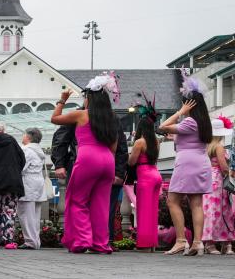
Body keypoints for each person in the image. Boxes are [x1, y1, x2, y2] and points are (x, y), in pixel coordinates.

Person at [50, 74, 119, 254]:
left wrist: (62, 100)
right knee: (101, 204)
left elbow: (55, 118)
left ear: (89, 99)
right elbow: (114, 146)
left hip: (88, 158)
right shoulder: (111, 117)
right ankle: (101, 244)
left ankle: (82, 240)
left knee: (76, 200)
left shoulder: (81, 114)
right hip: (108, 161)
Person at [160, 76, 213, 256]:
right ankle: (197, 243)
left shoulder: (189, 121)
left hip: (187, 163)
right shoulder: (203, 122)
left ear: (189, 105)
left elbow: (162, 126)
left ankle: (181, 240)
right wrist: (176, 137)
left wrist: (179, 112)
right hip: (200, 161)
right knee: (196, 204)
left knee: (173, 200)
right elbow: (191, 139)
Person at [127, 101, 161, 252]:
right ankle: (152, 243)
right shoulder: (156, 141)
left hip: (145, 176)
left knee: (144, 211)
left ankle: (144, 244)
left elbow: (132, 161)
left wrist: (128, 156)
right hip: (156, 174)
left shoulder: (140, 142)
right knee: (153, 211)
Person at [201, 119, 234, 254]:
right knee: (223, 211)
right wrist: (229, 173)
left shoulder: (206, 146)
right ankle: (222, 243)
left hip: (207, 178)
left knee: (210, 211)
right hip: (218, 180)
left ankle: (210, 241)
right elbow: (223, 166)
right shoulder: (219, 147)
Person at [18, 128, 48, 249]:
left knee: (25, 214)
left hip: (28, 183)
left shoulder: (26, 150)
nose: (23, 136)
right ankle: (35, 241)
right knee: (36, 215)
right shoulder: (39, 150)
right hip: (38, 183)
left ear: (28, 137)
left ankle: (30, 241)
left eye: (24, 134)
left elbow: (22, 168)